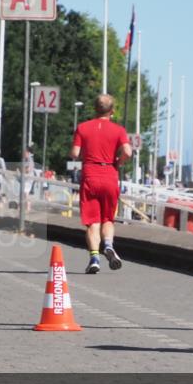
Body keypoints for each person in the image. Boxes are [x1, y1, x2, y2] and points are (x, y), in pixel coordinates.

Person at [70, 94, 132, 274]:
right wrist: (119, 161)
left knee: (92, 222)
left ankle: (95, 258)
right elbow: (128, 151)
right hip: (109, 175)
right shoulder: (119, 130)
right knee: (107, 218)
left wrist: (86, 154)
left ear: (95, 109)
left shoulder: (83, 127)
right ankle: (109, 246)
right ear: (112, 111)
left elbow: (74, 153)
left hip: (90, 175)